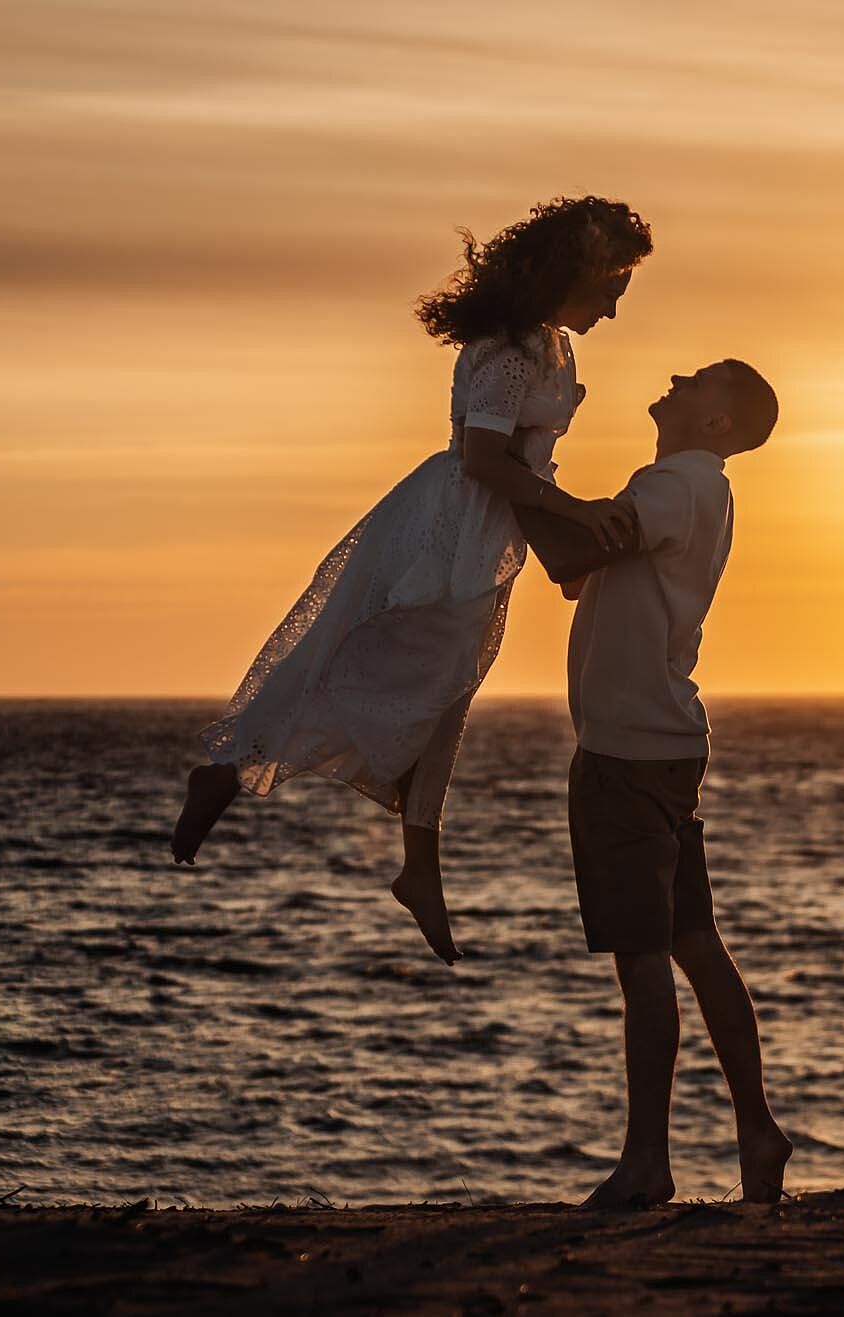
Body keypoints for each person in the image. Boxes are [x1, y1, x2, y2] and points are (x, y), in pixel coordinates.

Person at [170, 196, 649, 966]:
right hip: (451, 529)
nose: (619, 304)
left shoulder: (553, 344)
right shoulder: (513, 349)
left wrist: (561, 532)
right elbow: (484, 461)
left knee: (447, 699)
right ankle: (229, 775)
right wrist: (574, 512)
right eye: (615, 283)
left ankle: (420, 866)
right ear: (579, 270)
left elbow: (521, 466)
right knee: (368, 669)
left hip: (494, 533)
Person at [562, 359, 793, 1208]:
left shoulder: (675, 481)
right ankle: (757, 1128)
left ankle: (647, 1161)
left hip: (625, 750)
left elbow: (573, 550)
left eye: (695, 381)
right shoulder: (700, 490)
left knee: (645, 959)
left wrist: (506, 471)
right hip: (666, 740)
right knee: (694, 939)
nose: (674, 377)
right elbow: (581, 570)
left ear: (719, 424)